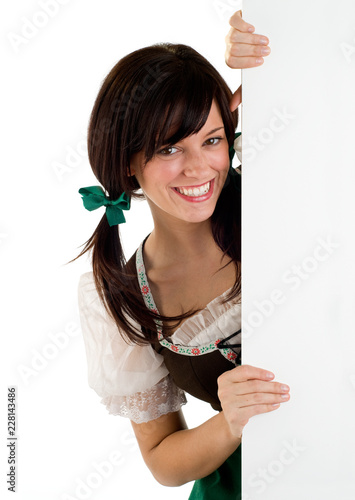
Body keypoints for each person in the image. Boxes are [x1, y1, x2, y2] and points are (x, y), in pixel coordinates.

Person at [76, 10, 290, 499]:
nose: (199, 169)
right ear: (128, 162)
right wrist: (229, 422)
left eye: (212, 140)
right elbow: (163, 460)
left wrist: (277, 48)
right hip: (244, 485)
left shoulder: (283, 194)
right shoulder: (117, 294)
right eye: (170, 149)